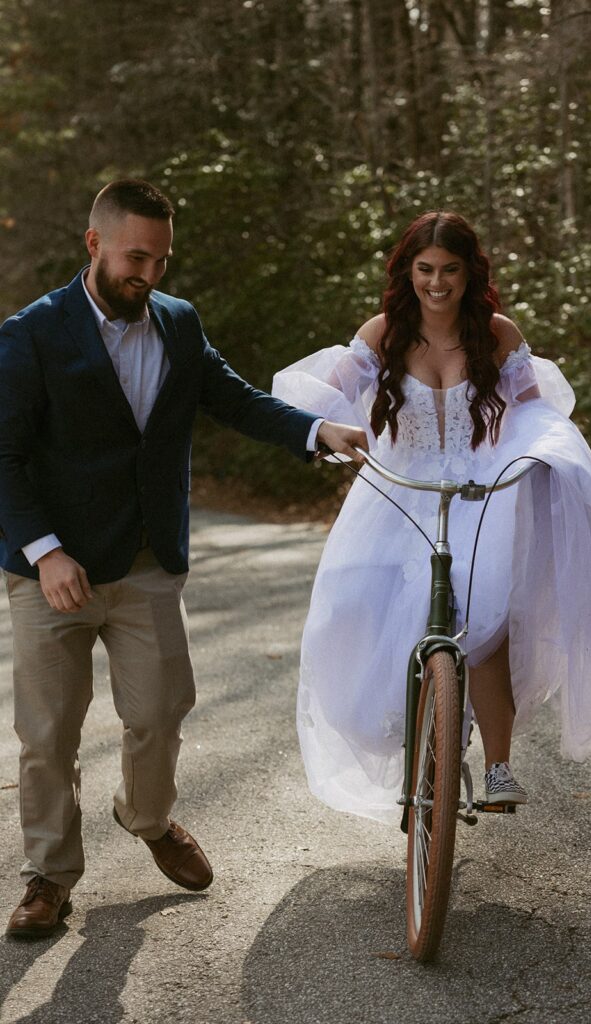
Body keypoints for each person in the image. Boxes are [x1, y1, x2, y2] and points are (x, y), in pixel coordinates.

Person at [0, 178, 367, 938]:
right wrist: (46, 551)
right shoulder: (30, 334)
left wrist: (316, 431)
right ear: (94, 244)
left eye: (162, 260)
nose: (150, 274)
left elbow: (232, 398)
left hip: (143, 560)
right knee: (48, 734)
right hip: (52, 570)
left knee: (162, 711)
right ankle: (48, 877)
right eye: (137, 257)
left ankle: (147, 816)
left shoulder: (176, 321)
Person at [272, 210, 591, 824]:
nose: (437, 283)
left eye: (450, 270)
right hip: (396, 493)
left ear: (471, 273)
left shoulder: (497, 335)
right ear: (408, 272)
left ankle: (497, 766)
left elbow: (533, 414)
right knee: (354, 603)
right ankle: (408, 728)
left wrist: (547, 456)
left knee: (484, 618)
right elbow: (320, 393)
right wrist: (324, 430)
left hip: (480, 494)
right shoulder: (385, 333)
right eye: (425, 270)